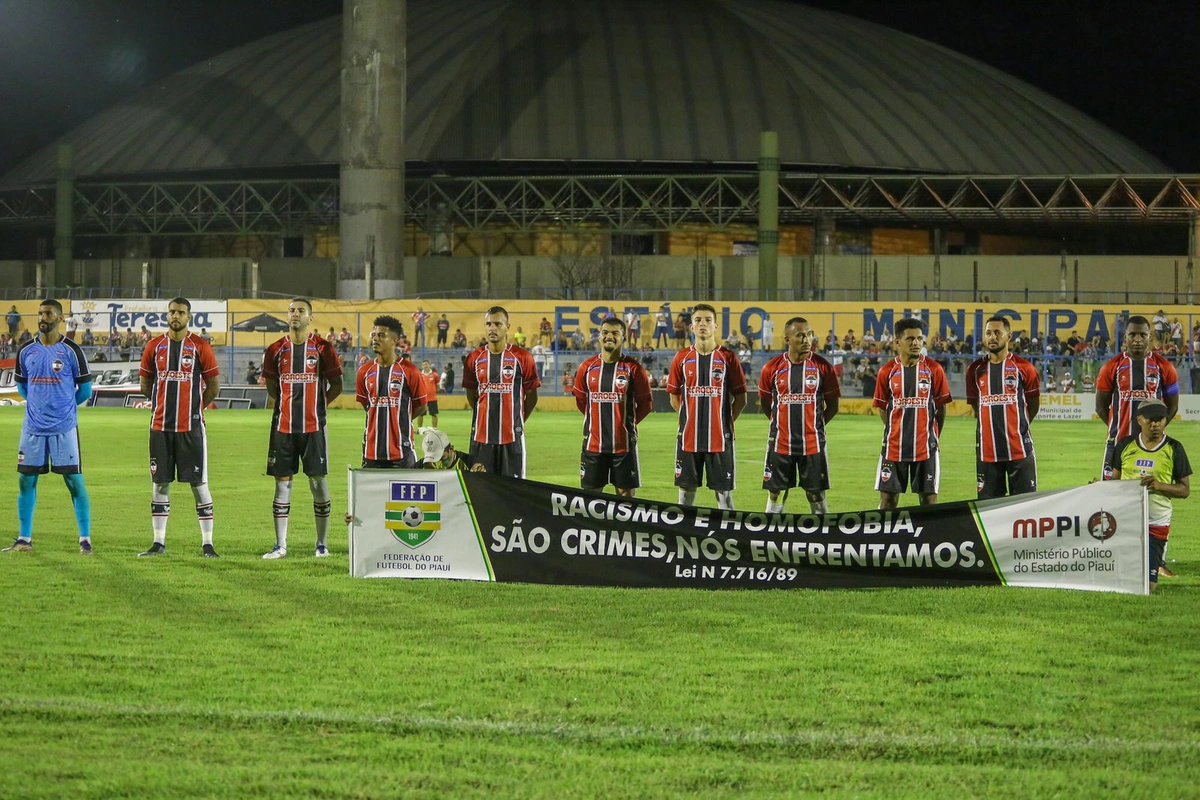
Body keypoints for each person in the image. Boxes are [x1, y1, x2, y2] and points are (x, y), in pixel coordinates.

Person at [3, 299, 94, 554]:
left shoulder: (72, 351)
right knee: (25, 480)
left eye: (49, 313)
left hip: (64, 428)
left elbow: (85, 390)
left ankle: (85, 540)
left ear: (60, 317)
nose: (43, 317)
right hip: (33, 428)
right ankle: (24, 539)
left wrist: (63, 408)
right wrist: (37, 404)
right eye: (41, 313)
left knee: (74, 481)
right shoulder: (25, 351)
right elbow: (22, 385)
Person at [136, 297, 221, 558]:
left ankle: (207, 544)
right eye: (172, 311)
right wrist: (162, 404)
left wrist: (195, 408)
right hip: (160, 428)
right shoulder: (154, 346)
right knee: (160, 483)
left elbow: (213, 387)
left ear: (188, 317)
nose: (175, 316)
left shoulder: (200, 346)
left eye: (181, 312)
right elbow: (144, 384)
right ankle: (158, 542)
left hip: (191, 429)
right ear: (167, 315)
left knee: (198, 484)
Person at [260, 298, 343, 559]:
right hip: (283, 428)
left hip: (314, 428)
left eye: (301, 311)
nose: (295, 314)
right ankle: (280, 545)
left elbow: (337, 384)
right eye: (292, 311)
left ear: (310, 317)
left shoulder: (322, 348)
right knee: (282, 485)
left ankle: (321, 543)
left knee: (317, 483)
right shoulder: (275, 349)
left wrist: (320, 405)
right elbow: (272, 385)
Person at [667, 303, 747, 510]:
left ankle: (728, 537)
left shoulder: (728, 358)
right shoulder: (681, 358)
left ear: (716, 326)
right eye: (698, 320)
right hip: (688, 438)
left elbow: (741, 398)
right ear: (691, 327)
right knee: (685, 495)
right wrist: (688, 417)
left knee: (724, 497)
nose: (703, 324)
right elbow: (674, 397)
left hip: (720, 439)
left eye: (708, 320)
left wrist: (724, 422)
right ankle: (682, 535)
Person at [758, 317, 840, 514]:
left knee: (816, 493)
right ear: (787, 339)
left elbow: (833, 406)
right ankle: (770, 536)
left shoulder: (823, 367)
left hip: (812, 443)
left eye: (809, 334)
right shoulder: (772, 368)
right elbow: (765, 403)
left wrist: (815, 427)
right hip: (780, 443)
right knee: (776, 492)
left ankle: (822, 539)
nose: (807, 339)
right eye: (800, 335)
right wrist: (779, 424)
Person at [1106, 400, 1190, 592]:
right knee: (1116, 576)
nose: (1155, 425)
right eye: (1150, 420)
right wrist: (1099, 487)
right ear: (1139, 420)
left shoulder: (1174, 448)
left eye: (1160, 420)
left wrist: (1159, 486)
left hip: (1157, 522)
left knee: (1148, 586)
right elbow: (1115, 481)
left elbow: (1184, 490)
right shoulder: (1125, 445)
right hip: (1127, 519)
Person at [873, 318, 952, 509]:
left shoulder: (934, 369)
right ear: (898, 342)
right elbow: (882, 408)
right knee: (888, 502)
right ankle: (884, 539)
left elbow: (941, 408)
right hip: (893, 448)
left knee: (928, 502)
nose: (916, 343)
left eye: (919, 339)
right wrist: (895, 429)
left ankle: (927, 539)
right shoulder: (887, 371)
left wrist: (933, 435)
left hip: (926, 448)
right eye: (910, 339)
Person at [572, 316, 653, 497]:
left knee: (626, 499)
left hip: (623, 446)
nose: (610, 336)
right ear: (599, 337)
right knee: (590, 499)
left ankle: (624, 527)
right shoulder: (586, 367)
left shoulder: (634, 368)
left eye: (615, 333)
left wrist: (625, 424)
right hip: (593, 445)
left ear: (624, 337)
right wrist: (596, 419)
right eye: (605, 332)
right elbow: (580, 401)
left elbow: (646, 404)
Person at [964, 316, 1040, 500]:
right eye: (988, 333)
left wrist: (1017, 428)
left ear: (1009, 336)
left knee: (1024, 508)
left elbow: (1033, 405)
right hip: (987, 452)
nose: (992, 337)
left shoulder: (1024, 368)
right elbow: (977, 406)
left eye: (997, 333)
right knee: (989, 510)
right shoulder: (974, 370)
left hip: (1020, 450)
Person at [1096, 315, 1179, 479]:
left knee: (1149, 494)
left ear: (1150, 337)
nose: (1137, 339)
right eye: (1132, 334)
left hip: (1152, 444)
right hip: (1118, 443)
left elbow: (1173, 406)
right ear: (1125, 337)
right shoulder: (1111, 367)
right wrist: (1118, 428)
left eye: (1142, 335)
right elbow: (1100, 407)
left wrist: (1156, 430)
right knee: (1109, 494)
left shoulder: (1164, 367)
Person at [462, 306, 540, 478]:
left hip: (512, 439)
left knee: (513, 493)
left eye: (498, 324)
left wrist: (516, 421)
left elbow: (532, 397)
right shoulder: (473, 359)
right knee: (481, 492)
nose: (492, 328)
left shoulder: (522, 357)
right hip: (481, 440)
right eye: (488, 324)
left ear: (507, 327)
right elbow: (472, 396)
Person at [355, 315, 426, 468]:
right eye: (374, 335)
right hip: (371, 450)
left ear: (394, 341)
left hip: (402, 451)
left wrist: (399, 418)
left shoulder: (410, 371)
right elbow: (366, 405)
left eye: (381, 335)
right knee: (371, 492)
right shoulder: (364, 372)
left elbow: (421, 406)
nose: (375, 339)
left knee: (401, 493)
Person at [420, 427, 484, 472]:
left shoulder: (469, 463)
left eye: (441, 457)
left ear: (451, 449)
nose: (437, 462)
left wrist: (479, 473)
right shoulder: (426, 464)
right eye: (433, 458)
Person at [415, 358, 440, 428]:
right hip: (423, 398)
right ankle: (420, 428)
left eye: (426, 364)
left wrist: (433, 392)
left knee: (434, 414)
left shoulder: (435, 375)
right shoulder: (419, 374)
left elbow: (437, 385)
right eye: (423, 365)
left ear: (429, 365)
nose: (425, 366)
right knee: (420, 414)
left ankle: (435, 428)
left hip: (432, 398)